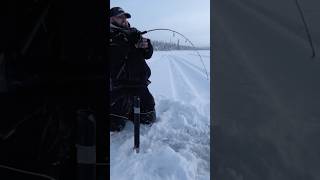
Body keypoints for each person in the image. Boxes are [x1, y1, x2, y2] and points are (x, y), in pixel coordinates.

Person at [109, 7, 156, 131]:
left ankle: (130, 110)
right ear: (111, 19)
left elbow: (148, 54)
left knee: (148, 117)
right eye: (120, 17)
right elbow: (114, 59)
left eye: (125, 17)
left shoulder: (134, 32)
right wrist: (129, 44)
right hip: (119, 85)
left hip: (139, 82)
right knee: (114, 124)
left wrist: (147, 46)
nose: (124, 20)